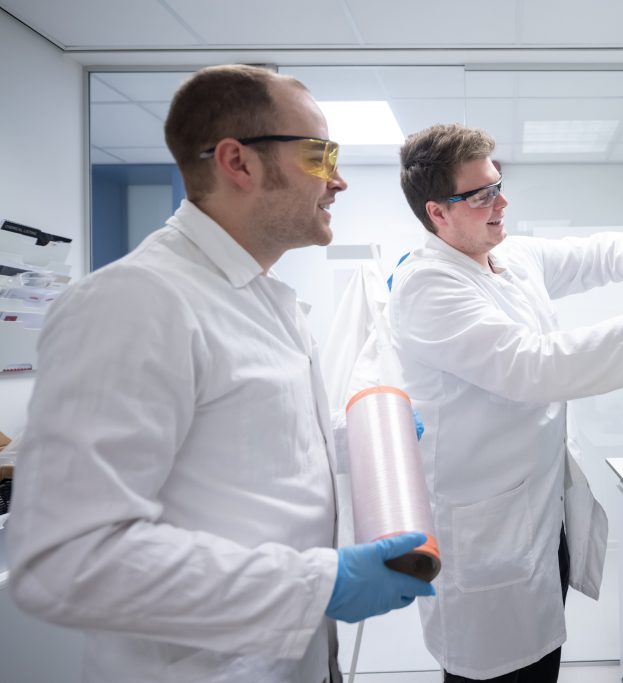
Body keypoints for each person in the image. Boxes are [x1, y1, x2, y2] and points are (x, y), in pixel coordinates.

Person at [7, 64, 434, 683]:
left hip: (299, 660)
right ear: (239, 163)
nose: (338, 181)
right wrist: (320, 586)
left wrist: (357, 440)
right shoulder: (136, 300)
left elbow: (242, 453)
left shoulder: (261, 296)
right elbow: (67, 560)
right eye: (319, 155)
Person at [390, 122, 623, 681]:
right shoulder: (428, 287)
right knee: (498, 670)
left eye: (498, 184)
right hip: (487, 538)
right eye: (481, 195)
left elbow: (587, 256)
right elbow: (538, 365)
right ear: (437, 213)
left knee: (540, 663)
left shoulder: (502, 255)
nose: (502, 202)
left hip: (540, 520)